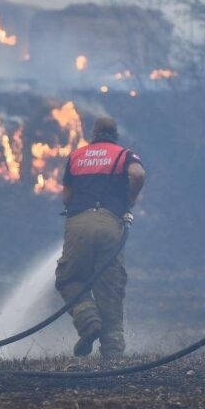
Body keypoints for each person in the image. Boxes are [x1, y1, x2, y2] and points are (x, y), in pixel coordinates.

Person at [56, 116, 146, 359]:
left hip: (79, 224)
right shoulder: (124, 154)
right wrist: (130, 199)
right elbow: (137, 174)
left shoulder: (76, 156)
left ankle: (88, 321)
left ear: (93, 133)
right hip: (110, 225)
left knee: (69, 278)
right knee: (110, 290)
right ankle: (113, 352)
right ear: (115, 134)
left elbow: (66, 197)